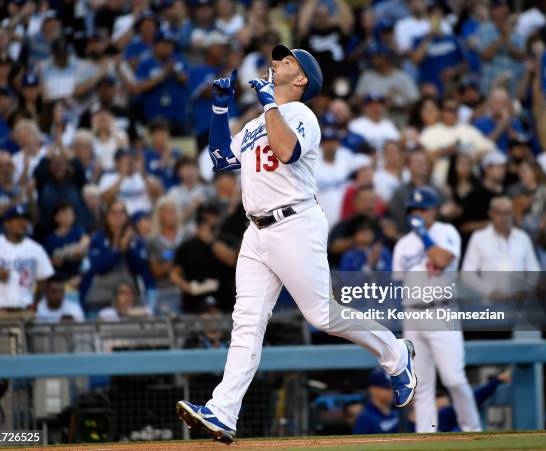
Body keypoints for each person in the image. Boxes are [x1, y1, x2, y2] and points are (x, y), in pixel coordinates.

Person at [176, 44, 416, 444]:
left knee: (321, 315)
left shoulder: (302, 114)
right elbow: (220, 158)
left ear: (301, 78)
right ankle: (222, 412)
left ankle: (395, 353)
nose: (277, 62)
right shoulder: (259, 120)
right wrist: (219, 109)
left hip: (295, 222)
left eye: (287, 61)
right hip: (256, 231)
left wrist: (269, 102)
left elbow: (285, 151)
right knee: (247, 323)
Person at [393, 187, 481, 433]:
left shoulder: (446, 232)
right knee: (421, 385)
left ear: (434, 210)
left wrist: (423, 235)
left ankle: (472, 430)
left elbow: (442, 261)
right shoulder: (403, 244)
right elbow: (399, 282)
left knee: (453, 378)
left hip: (441, 312)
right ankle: (426, 435)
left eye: (423, 209)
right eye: (414, 209)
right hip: (412, 314)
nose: (418, 213)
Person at [0, 205, 54, 320]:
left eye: (24, 220)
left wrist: (34, 303)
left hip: (24, 310)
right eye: (17, 220)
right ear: (7, 224)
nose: (21, 223)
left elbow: (43, 279)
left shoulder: (36, 248)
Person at [461, 197, 540, 300]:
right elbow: (467, 274)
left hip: (519, 302)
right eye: (499, 213)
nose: (503, 217)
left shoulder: (523, 237)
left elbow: (534, 270)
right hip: (489, 303)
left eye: (507, 213)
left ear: (512, 214)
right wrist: (490, 291)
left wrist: (525, 290)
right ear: (491, 214)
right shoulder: (478, 238)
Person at [80, 200, 150, 314]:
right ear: (107, 216)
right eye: (113, 213)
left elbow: (140, 267)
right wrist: (118, 250)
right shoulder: (97, 238)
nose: (118, 216)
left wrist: (128, 249)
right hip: (100, 298)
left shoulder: (135, 239)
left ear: (127, 216)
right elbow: (98, 267)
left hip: (130, 299)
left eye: (122, 212)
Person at [170, 203, 238, 313]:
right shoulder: (187, 245)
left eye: (211, 216)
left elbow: (231, 260)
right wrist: (185, 286)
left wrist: (210, 241)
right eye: (203, 216)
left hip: (224, 300)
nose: (207, 220)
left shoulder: (227, 240)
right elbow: (174, 273)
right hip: (195, 301)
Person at [147, 197, 184, 314]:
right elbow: (155, 271)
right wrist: (177, 260)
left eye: (172, 211)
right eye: (165, 212)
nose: (169, 215)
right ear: (159, 216)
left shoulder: (186, 236)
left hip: (185, 289)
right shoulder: (153, 241)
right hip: (165, 290)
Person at [352, 368, 399, 434]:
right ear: (373, 389)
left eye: (395, 387)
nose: (392, 391)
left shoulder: (397, 414)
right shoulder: (365, 418)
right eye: (387, 387)